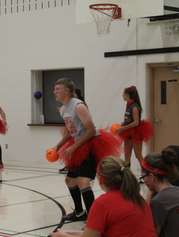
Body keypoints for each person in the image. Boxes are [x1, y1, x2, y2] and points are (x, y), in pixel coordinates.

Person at [54, 79, 121, 222]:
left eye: (57, 89)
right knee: (70, 180)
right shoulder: (63, 108)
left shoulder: (78, 106)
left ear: (66, 90)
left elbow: (91, 130)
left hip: (90, 145)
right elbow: (69, 133)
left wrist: (74, 147)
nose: (54, 92)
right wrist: (57, 146)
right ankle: (79, 212)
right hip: (77, 145)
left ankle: (93, 219)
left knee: (83, 181)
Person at [51, 157, 156, 237]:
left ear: (101, 180)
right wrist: (70, 233)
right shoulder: (137, 198)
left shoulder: (103, 203)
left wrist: (62, 235)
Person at [141, 153, 179, 237]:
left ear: (151, 176)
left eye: (143, 177)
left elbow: (152, 233)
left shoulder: (158, 201)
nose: (144, 180)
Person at [117, 86, 153, 167]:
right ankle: (127, 176)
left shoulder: (135, 107)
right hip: (128, 133)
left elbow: (136, 122)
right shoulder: (128, 105)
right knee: (127, 156)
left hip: (136, 133)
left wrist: (123, 128)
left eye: (124, 94)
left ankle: (146, 173)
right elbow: (129, 119)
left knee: (138, 156)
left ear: (128, 95)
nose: (122, 95)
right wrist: (124, 123)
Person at [59, 88, 84, 174]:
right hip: (74, 135)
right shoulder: (65, 107)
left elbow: (88, 128)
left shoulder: (80, 105)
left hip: (82, 137)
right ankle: (69, 166)